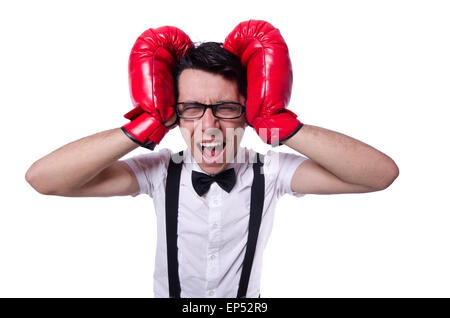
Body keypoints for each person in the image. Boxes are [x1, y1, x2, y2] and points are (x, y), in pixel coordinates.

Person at [25, 20, 399, 298]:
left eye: (224, 107)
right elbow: (44, 180)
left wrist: (282, 126)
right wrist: (141, 128)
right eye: (191, 108)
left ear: (249, 110)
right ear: (174, 112)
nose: (209, 125)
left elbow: (380, 175)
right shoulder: (160, 171)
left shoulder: (270, 172)